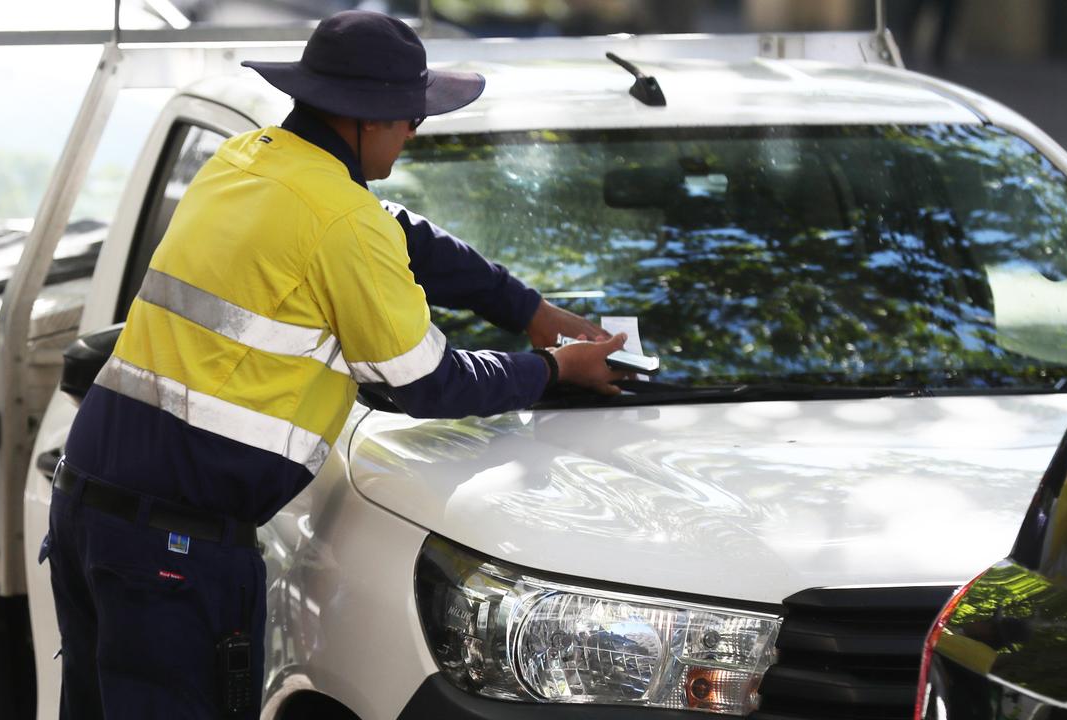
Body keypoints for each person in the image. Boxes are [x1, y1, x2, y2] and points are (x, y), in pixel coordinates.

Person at [41, 9, 628, 718]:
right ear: (365, 118)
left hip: (89, 513)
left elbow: (398, 233)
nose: (414, 130)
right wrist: (553, 370)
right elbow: (424, 380)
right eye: (408, 115)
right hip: (174, 554)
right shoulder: (341, 221)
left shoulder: (249, 158)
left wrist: (526, 308)